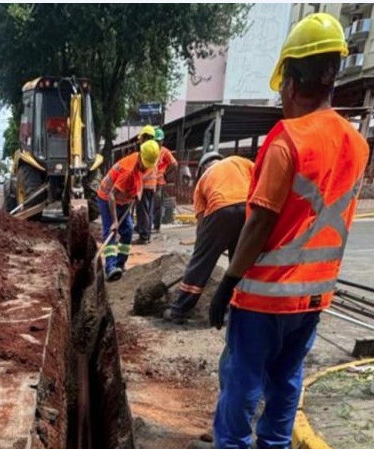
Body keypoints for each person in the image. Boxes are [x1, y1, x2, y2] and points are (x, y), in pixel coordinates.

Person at [208, 13, 369, 448]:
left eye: (282, 85)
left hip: (264, 298)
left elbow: (259, 221)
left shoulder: (287, 141)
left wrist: (227, 283)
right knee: (286, 381)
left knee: (242, 380)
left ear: (293, 82)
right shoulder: (358, 144)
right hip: (313, 298)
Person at [164, 152, 254, 324]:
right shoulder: (241, 161)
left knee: (201, 264)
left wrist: (203, 250)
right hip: (250, 209)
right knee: (240, 261)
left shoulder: (203, 180)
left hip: (220, 209)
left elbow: (201, 222)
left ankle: (178, 310)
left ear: (202, 169)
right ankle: (236, 309)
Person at [97, 140, 161, 282]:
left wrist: (136, 194)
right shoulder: (128, 171)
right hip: (107, 198)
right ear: (140, 157)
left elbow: (139, 182)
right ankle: (110, 268)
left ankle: (120, 264)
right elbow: (112, 195)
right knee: (111, 232)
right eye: (145, 165)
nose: (147, 168)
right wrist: (114, 221)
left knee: (128, 230)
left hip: (124, 199)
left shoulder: (146, 164)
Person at [135, 125, 158, 244]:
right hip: (152, 185)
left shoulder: (145, 149)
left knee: (143, 211)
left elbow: (140, 167)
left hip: (144, 185)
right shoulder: (155, 148)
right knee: (148, 211)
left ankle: (144, 236)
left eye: (141, 138)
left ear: (145, 136)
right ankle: (146, 233)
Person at [153, 127, 178, 233]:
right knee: (147, 205)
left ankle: (156, 226)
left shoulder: (165, 152)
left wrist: (165, 173)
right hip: (148, 182)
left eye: (159, 141)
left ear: (162, 141)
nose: (158, 142)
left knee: (157, 204)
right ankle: (145, 225)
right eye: (156, 140)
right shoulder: (151, 150)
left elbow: (174, 164)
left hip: (159, 182)